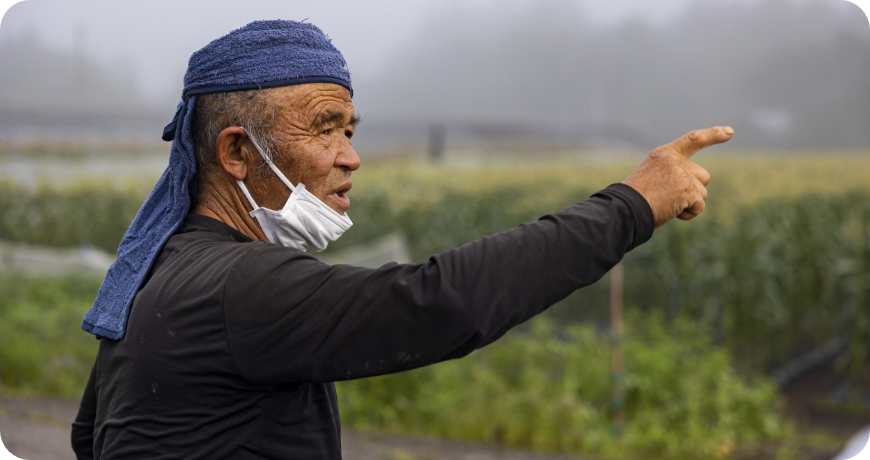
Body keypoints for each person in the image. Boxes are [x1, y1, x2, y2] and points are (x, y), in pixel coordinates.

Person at [70, 20, 732, 460]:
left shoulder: (162, 269)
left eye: (351, 129)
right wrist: (633, 205)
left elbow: (86, 435)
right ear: (237, 152)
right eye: (325, 128)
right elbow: (441, 304)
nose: (351, 156)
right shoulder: (235, 287)